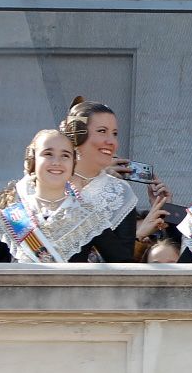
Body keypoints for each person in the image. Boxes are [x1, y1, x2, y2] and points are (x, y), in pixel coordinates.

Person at [0, 129, 134, 263]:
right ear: (33, 161)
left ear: (73, 163)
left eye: (65, 155)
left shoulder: (88, 218)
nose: (56, 161)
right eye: (48, 154)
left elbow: (126, 268)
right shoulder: (12, 218)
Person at [57, 99, 141, 260]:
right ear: (77, 135)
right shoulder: (50, 181)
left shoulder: (120, 192)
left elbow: (124, 264)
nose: (111, 142)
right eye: (102, 131)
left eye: (115, 134)